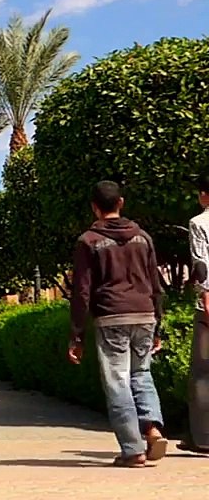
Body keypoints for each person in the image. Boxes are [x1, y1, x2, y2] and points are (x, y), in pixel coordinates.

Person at [68, 181, 167, 467]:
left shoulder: (88, 241)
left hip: (112, 316)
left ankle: (132, 449)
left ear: (94, 207)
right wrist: (158, 324)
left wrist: (76, 334)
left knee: (118, 381)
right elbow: (155, 283)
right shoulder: (143, 238)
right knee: (142, 373)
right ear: (121, 202)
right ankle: (152, 428)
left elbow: (82, 291)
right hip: (144, 313)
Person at [182, 174, 209, 454]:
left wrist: (205, 295)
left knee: (203, 372)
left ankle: (203, 437)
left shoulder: (199, 223)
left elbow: (201, 262)